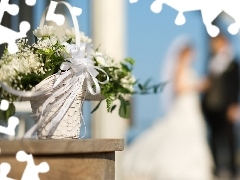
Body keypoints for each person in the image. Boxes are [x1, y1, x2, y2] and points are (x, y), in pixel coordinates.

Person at [123, 36, 214, 180]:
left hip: (190, 107)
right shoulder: (179, 68)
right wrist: (197, 86)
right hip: (183, 106)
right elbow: (178, 88)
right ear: (186, 53)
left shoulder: (189, 69)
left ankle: (192, 168)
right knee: (178, 133)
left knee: (189, 135)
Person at [202, 32, 240, 177]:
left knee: (230, 138)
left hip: (227, 107)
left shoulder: (233, 64)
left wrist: (234, 105)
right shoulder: (211, 62)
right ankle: (217, 167)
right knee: (214, 138)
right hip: (211, 107)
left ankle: (232, 169)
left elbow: (235, 86)